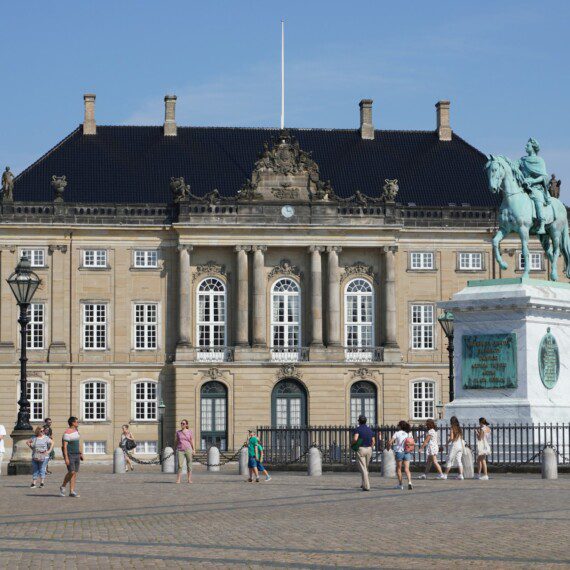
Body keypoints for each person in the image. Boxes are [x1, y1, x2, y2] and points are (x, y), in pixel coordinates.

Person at [60, 416, 83, 497]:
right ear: (73, 423)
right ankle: (63, 486)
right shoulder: (67, 433)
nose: (78, 423)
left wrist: (81, 453)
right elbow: (65, 446)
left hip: (77, 454)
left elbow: (78, 442)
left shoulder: (76, 431)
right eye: (77, 422)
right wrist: (66, 458)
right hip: (70, 454)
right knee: (71, 471)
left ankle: (72, 491)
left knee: (74, 473)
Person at [388, 421, 414, 490]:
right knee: (407, 469)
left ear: (400, 426)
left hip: (399, 452)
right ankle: (410, 482)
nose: (397, 426)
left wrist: (388, 447)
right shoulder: (409, 433)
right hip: (407, 452)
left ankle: (400, 485)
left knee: (399, 469)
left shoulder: (397, 433)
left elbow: (390, 442)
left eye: (398, 425)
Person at [352, 415, 375, 491]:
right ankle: (363, 483)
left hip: (361, 449)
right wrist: (371, 447)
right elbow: (373, 441)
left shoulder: (358, 429)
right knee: (366, 467)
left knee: (363, 468)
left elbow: (355, 439)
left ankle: (367, 486)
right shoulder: (370, 430)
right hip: (369, 449)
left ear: (359, 421)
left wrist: (352, 444)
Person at [175, 419, 195, 484]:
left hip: (188, 449)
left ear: (186, 425)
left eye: (183, 423)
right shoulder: (178, 432)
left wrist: (193, 449)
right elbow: (177, 441)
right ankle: (178, 479)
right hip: (180, 450)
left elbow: (192, 441)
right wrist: (175, 448)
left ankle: (189, 479)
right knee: (180, 465)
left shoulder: (189, 432)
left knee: (189, 464)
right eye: (181, 423)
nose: (182, 424)